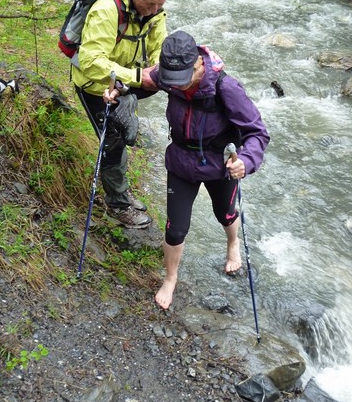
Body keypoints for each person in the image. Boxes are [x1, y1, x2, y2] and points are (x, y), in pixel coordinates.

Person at [104, 30, 270, 309]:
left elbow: (258, 133)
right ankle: (170, 279)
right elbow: (145, 83)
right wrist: (118, 91)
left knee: (226, 214)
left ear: (199, 65)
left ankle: (233, 244)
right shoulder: (169, 74)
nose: (177, 87)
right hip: (181, 161)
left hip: (219, 165)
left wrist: (246, 160)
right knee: (175, 228)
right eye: (172, 81)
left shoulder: (225, 88)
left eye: (183, 80)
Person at [72, 0, 171, 229]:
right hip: (95, 86)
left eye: (160, 4)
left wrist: (166, 71)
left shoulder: (154, 9)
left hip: (125, 81)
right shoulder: (107, 9)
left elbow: (159, 49)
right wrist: (139, 78)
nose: (154, 10)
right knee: (113, 144)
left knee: (121, 137)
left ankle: (121, 194)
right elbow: (90, 62)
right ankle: (118, 205)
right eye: (150, 3)